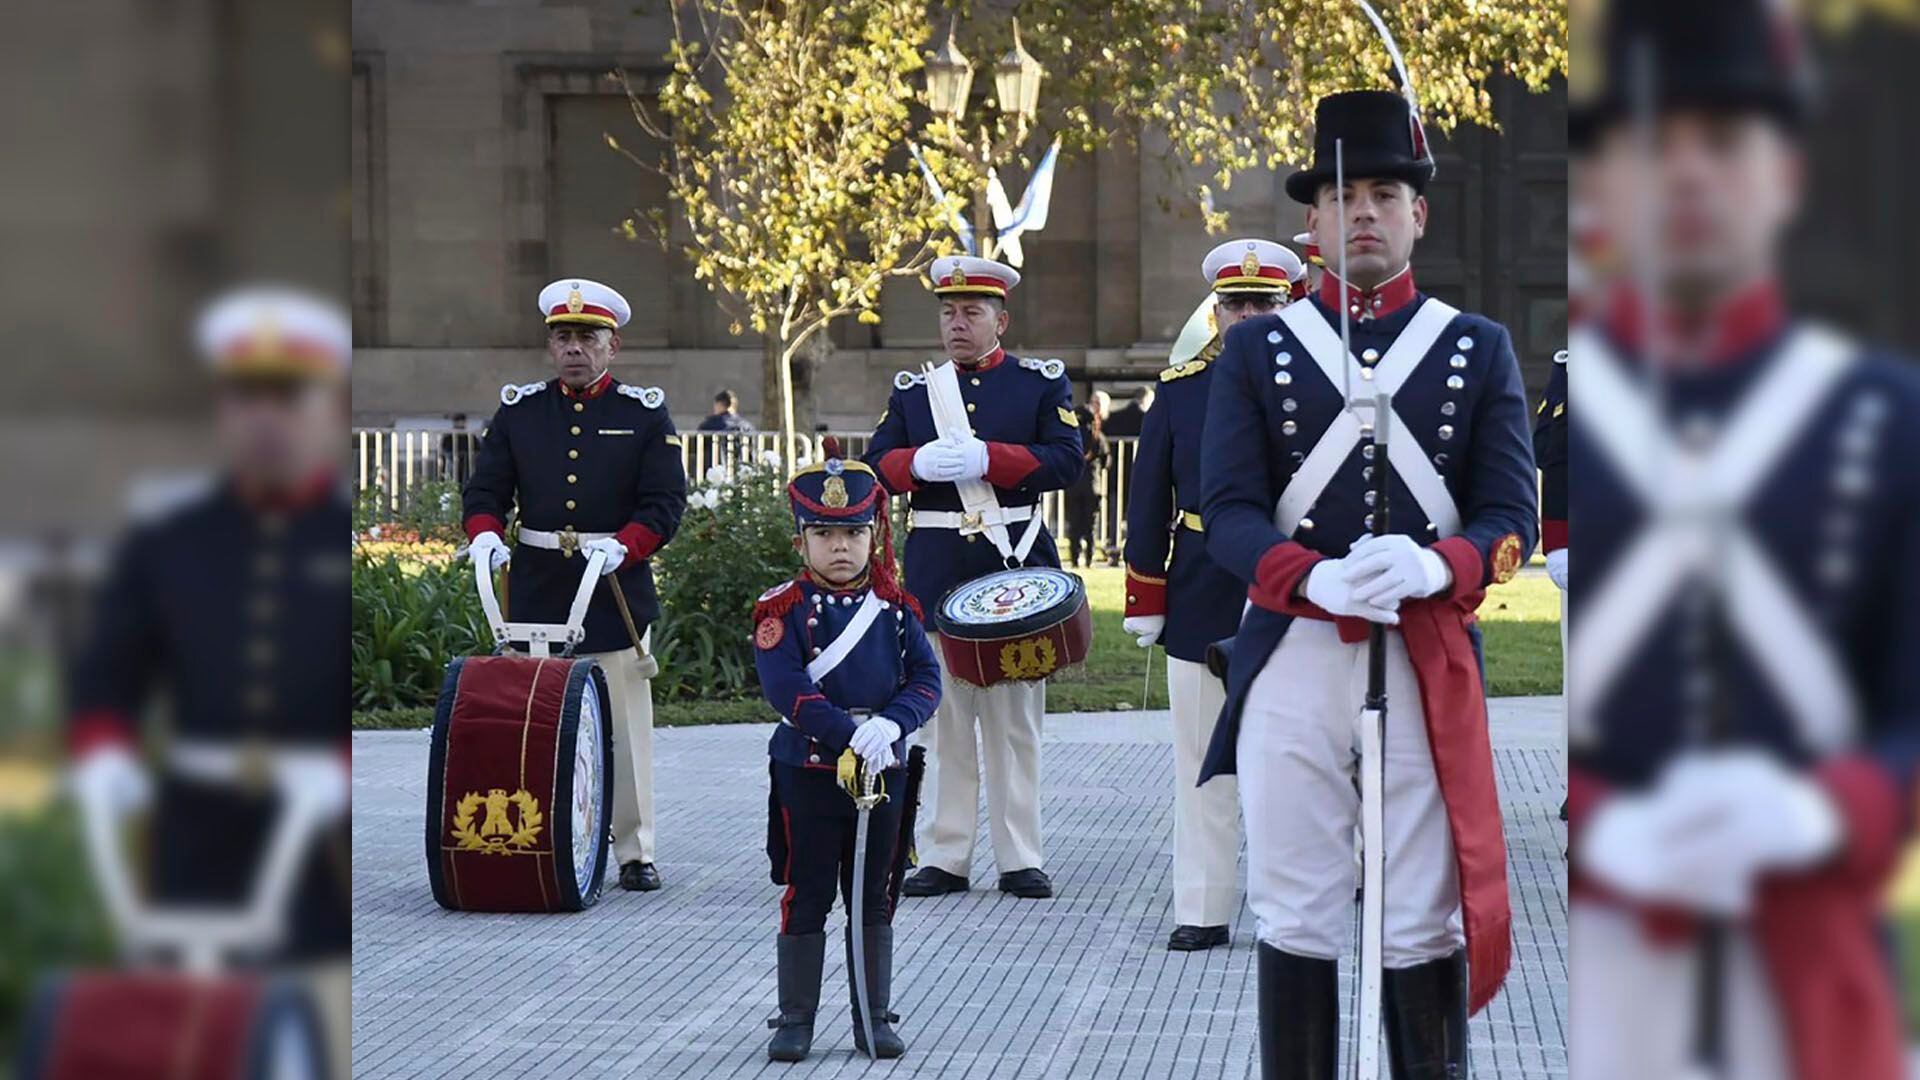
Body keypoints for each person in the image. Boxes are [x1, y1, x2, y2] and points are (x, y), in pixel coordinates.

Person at [1567, 2, 1917, 1077]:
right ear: (1604, 184)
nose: (1687, 175)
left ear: (1786, 176)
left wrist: (1827, 808)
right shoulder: (1572, 412)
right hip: (1602, 969)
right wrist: (1594, 822)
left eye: (1722, 141)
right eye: (1650, 143)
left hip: (1811, 964)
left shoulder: (1884, 414)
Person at [1199, 90, 1538, 1078]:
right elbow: (1226, 510)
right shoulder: (1259, 347)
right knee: (1297, 906)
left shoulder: (1478, 347)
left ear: (1418, 215)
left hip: (1424, 657)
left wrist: (1441, 563)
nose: (1364, 213)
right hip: (1296, 650)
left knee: (1419, 913)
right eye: (1343, 195)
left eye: (1386, 193)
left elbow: (1511, 517)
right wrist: (1315, 581)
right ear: (1311, 220)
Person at [66, 286, 356, 1074]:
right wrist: (102, 750)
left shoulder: (345, 538)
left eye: (287, 396)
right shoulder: (171, 537)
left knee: (309, 1036)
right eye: (245, 397)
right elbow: (107, 668)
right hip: (193, 839)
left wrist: (341, 767)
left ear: (326, 411)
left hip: (318, 854)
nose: (265, 416)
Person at [864, 255, 1083, 900]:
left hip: (1011, 566)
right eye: (948, 312)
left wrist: (992, 456)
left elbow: (1066, 460)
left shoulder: (1039, 384)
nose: (957, 323)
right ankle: (945, 854)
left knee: (1015, 722)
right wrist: (917, 462)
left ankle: (1021, 856)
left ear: (1000, 319)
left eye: (971, 312)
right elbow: (878, 464)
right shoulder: (913, 392)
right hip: (937, 569)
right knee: (945, 721)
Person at [462, 277, 688, 893]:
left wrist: (629, 545)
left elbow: (665, 501)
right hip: (535, 588)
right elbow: (486, 490)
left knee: (622, 725)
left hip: (611, 587)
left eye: (587, 338)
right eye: (563, 337)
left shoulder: (641, 413)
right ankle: (535, 833)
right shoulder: (521, 410)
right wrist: (483, 531)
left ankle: (634, 850)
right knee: (529, 721)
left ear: (612, 346)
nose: (573, 349)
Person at [1124, 237, 1303, 952]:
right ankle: (1201, 906)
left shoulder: (1320, 386)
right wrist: (1145, 594)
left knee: (1293, 759)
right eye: (1237, 305)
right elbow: (1147, 498)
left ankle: (1289, 910)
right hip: (1200, 583)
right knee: (1200, 758)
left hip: (1290, 584)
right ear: (1217, 311)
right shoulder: (1180, 390)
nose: (1250, 316)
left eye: (1265, 303)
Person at [754, 439, 941, 1063]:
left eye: (854, 534)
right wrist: (844, 733)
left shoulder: (894, 609)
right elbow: (786, 687)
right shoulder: (782, 608)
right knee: (807, 892)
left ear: (873, 535)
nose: (841, 547)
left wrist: (890, 725)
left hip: (881, 767)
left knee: (874, 895)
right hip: (810, 769)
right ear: (801, 539)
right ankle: (796, 1018)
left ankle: (872, 1013)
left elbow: (926, 679)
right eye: (825, 534)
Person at [1063, 401, 1108, 568]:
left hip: (1072, 485)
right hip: (1092, 485)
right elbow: (1106, 461)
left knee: (1073, 524)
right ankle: (1089, 559)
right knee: (1090, 525)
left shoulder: (1070, 437)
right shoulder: (1098, 437)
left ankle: (1074, 558)